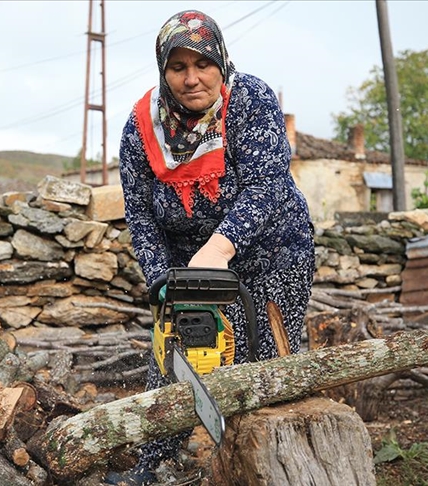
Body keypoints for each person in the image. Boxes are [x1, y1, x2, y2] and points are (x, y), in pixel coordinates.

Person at [107, 9, 315, 485]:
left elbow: (268, 185)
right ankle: (151, 465)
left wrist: (221, 248)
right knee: (176, 359)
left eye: (202, 64)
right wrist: (163, 278)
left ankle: (268, 469)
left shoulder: (250, 101)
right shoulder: (142, 127)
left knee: (260, 362)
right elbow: (139, 214)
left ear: (220, 61)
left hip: (271, 254)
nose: (191, 78)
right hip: (187, 264)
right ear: (163, 71)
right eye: (177, 67)